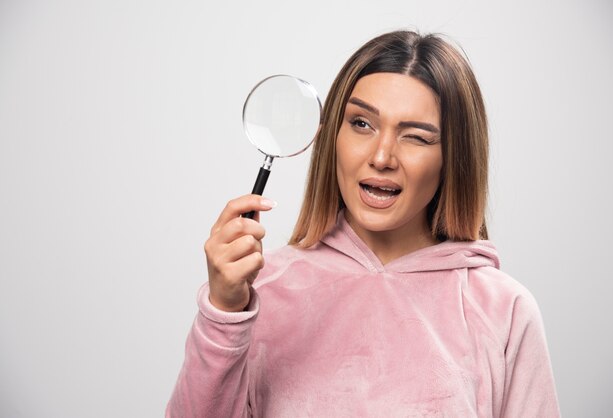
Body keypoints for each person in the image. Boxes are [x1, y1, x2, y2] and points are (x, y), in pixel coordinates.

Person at [166, 30, 561, 417]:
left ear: (453, 159)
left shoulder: (504, 311)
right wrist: (224, 313)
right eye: (361, 124)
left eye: (417, 137)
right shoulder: (260, 290)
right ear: (331, 136)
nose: (382, 156)